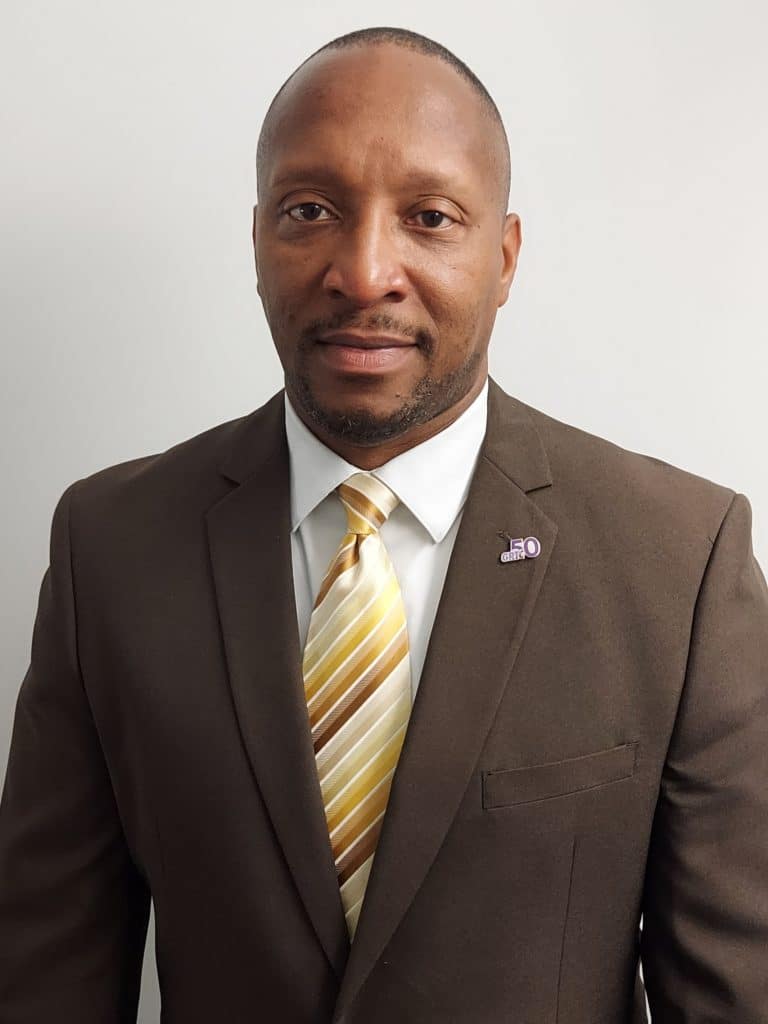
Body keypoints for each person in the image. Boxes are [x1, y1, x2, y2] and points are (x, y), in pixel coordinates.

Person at [0, 25, 766, 1024]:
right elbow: (44, 981)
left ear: (504, 256)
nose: (364, 273)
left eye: (430, 217)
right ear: (258, 239)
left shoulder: (681, 562)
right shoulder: (109, 548)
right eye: (310, 210)